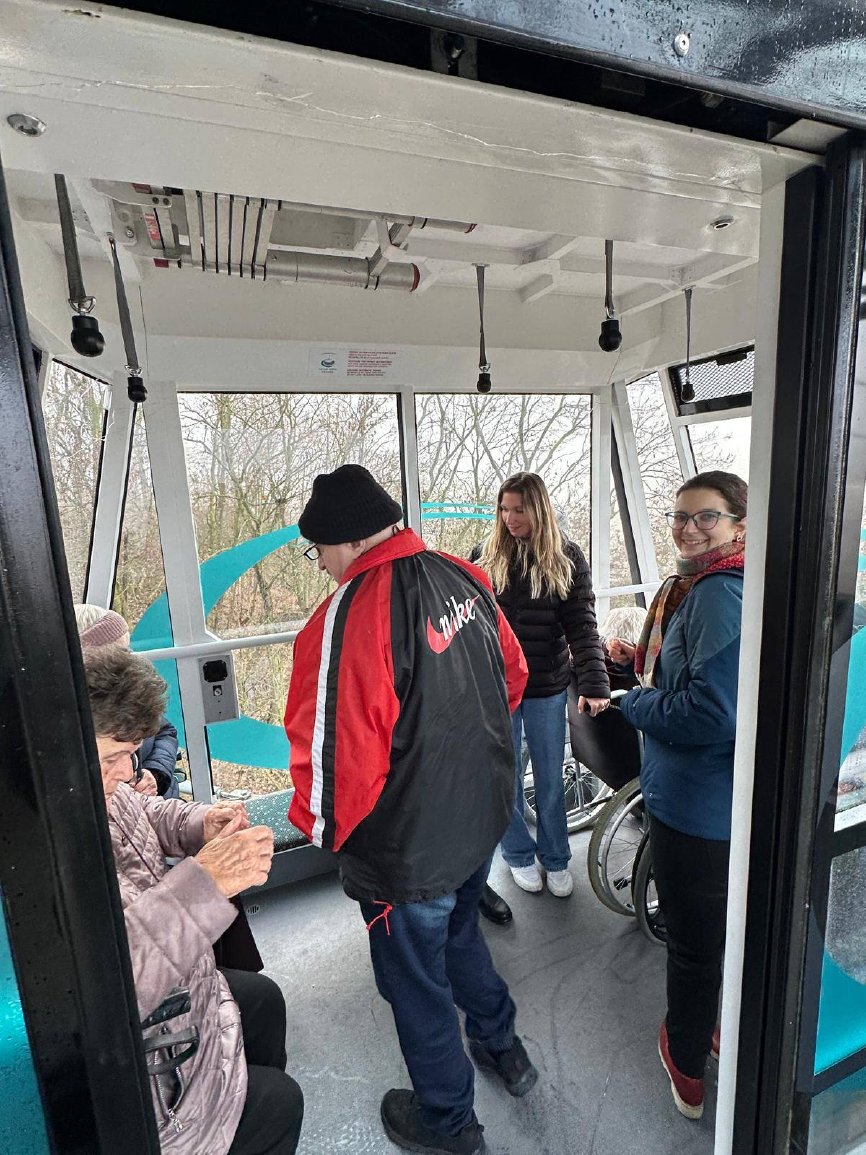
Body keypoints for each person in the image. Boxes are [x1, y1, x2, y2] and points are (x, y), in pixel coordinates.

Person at [284, 464, 534, 1155]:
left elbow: (336, 756)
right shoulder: (464, 576)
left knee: (416, 980)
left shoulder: (349, 614)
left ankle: (449, 1122)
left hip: (409, 848)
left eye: (319, 550)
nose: (321, 565)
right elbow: (512, 680)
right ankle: (505, 1049)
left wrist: (327, 834)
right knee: (459, 934)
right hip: (479, 816)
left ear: (346, 540)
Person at [83, 646, 303, 1155]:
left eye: (132, 754)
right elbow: (107, 986)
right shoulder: (47, 843)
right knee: (281, 1103)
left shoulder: (101, 785)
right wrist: (206, 883)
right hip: (152, 1047)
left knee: (264, 1001)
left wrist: (201, 823)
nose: (127, 771)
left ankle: (238, 1081)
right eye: (113, 757)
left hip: (181, 982)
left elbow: (147, 813)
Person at [610, 470, 747, 1120]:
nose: (688, 528)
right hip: (722, 801)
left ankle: (686, 1062)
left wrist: (634, 702)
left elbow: (711, 712)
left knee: (693, 945)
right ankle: (719, 1027)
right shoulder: (741, 585)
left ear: (741, 525)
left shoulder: (718, 595)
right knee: (720, 935)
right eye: (680, 516)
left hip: (696, 808)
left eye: (706, 517)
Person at [474, 472, 609, 899]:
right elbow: (467, 625)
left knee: (550, 777)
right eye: (504, 509)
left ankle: (555, 858)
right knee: (506, 778)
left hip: (547, 686)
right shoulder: (484, 556)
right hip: (499, 689)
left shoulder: (566, 557)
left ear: (540, 509)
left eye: (519, 509)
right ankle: (517, 854)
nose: (509, 518)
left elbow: (582, 624)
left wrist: (595, 683)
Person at [75, 603, 180, 798]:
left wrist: (156, 772)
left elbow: (166, 731)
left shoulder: (130, 698)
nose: (129, 663)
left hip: (161, 800)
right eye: (120, 654)